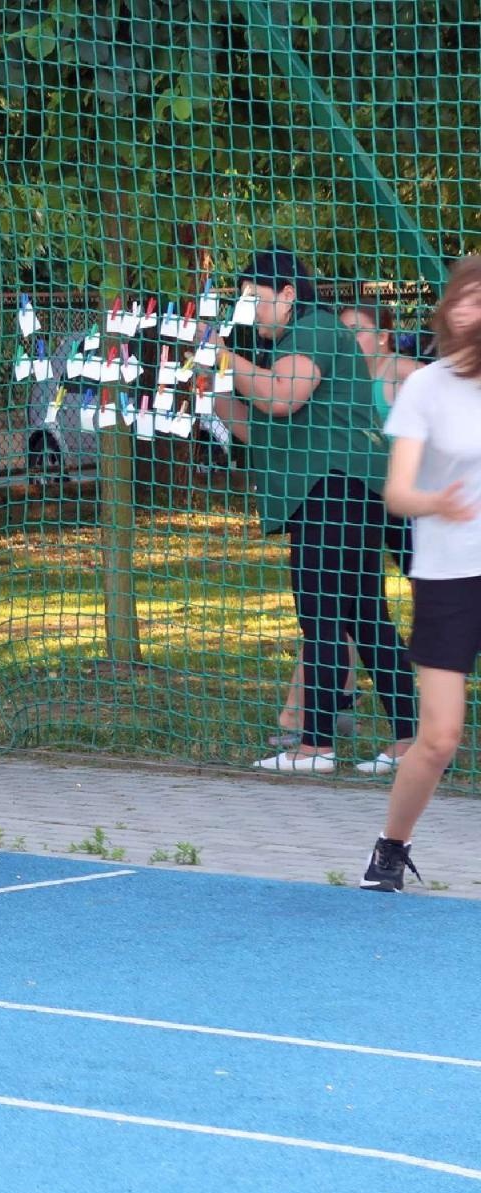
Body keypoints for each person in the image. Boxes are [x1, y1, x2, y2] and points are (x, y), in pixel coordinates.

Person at [209, 247, 417, 773]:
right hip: (331, 495)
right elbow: (260, 430)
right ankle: (409, 739)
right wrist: (208, 383)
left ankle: (315, 746)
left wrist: (227, 360)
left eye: (256, 298)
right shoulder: (280, 346)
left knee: (325, 617)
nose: (249, 310)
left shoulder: (318, 328)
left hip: (337, 494)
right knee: (365, 619)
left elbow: (282, 396)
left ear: (287, 294)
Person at [360, 257, 481, 891]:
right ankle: (390, 847)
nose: (467, 308)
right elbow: (398, 494)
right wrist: (439, 501)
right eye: (460, 297)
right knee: (438, 739)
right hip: (448, 578)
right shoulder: (426, 386)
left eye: (479, 299)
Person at [268, 298, 423, 748]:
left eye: (356, 330)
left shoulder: (402, 372)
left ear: (383, 337)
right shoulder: (334, 378)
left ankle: (419, 712)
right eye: (343, 330)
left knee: (413, 603)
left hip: (402, 495)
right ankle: (318, 716)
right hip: (364, 498)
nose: (347, 338)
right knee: (343, 612)